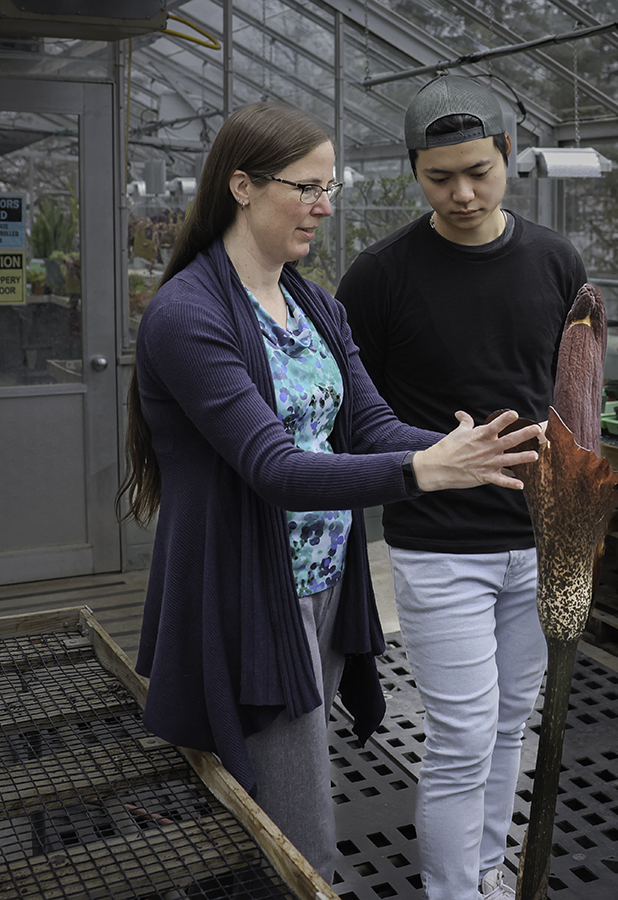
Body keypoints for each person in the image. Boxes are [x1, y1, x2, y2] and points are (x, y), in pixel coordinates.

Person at [120, 102, 542, 884]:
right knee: (299, 836)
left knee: (279, 805)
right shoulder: (188, 314)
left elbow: (372, 424)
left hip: (323, 585)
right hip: (252, 597)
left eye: (330, 187)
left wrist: (479, 449)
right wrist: (425, 472)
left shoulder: (312, 303)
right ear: (242, 186)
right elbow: (274, 469)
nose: (323, 205)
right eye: (307, 187)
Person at [336, 75, 588, 900]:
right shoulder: (379, 277)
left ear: (509, 155)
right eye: (439, 177)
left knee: (509, 725)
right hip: (440, 546)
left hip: (540, 540)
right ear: (413, 171)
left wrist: (578, 525)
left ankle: (483, 873)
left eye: (478, 170)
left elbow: (573, 398)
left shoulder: (555, 261)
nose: (463, 193)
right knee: (461, 735)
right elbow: (352, 413)